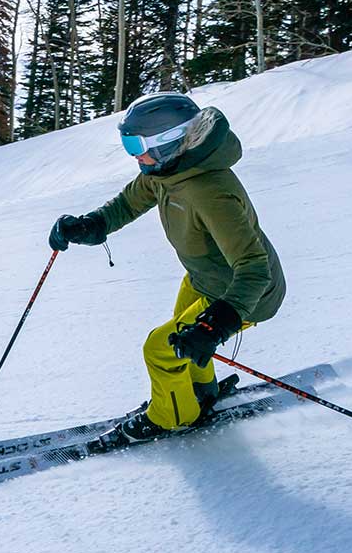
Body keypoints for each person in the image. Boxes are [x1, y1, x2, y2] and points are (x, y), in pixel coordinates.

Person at [47, 92, 285, 443]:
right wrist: (90, 225)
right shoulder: (167, 171)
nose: (133, 154)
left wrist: (214, 324)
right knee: (183, 342)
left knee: (160, 349)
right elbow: (129, 202)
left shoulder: (210, 192)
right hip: (206, 278)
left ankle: (173, 416)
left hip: (246, 292)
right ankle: (200, 392)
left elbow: (253, 267)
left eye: (135, 144)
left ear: (167, 142)